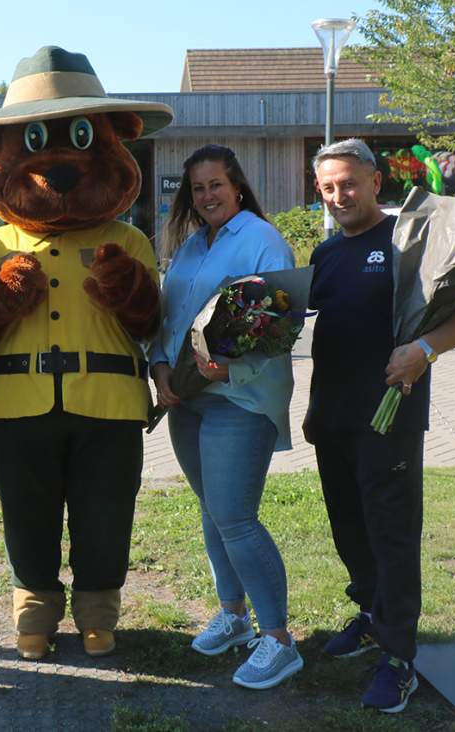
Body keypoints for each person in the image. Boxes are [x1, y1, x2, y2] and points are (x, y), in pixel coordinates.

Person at [306, 138, 455, 713]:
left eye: (349, 183)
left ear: (376, 181)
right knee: (348, 526)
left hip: (389, 417)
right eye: (328, 187)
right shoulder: (326, 254)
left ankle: (400, 658)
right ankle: (372, 615)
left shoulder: (409, 243)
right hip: (332, 419)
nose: (339, 195)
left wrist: (423, 350)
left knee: (392, 534)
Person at [150, 144, 302, 690]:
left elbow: (282, 321)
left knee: (236, 517)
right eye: (197, 188)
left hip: (240, 398)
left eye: (215, 184)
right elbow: (168, 319)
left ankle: (280, 640)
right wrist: (161, 366)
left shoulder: (262, 240)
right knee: (213, 512)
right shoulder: (190, 246)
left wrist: (228, 366)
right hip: (187, 399)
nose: (207, 196)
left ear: (236, 185)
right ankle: (235, 616)